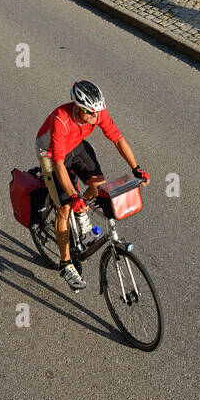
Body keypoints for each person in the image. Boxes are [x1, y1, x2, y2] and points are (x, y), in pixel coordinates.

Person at [36, 80, 149, 293]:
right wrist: (73, 195)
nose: (97, 118)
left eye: (98, 112)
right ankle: (66, 263)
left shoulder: (98, 112)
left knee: (98, 185)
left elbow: (117, 139)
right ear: (79, 109)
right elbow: (58, 164)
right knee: (65, 207)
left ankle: (81, 217)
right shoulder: (61, 121)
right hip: (51, 155)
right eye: (91, 114)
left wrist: (137, 168)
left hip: (76, 145)